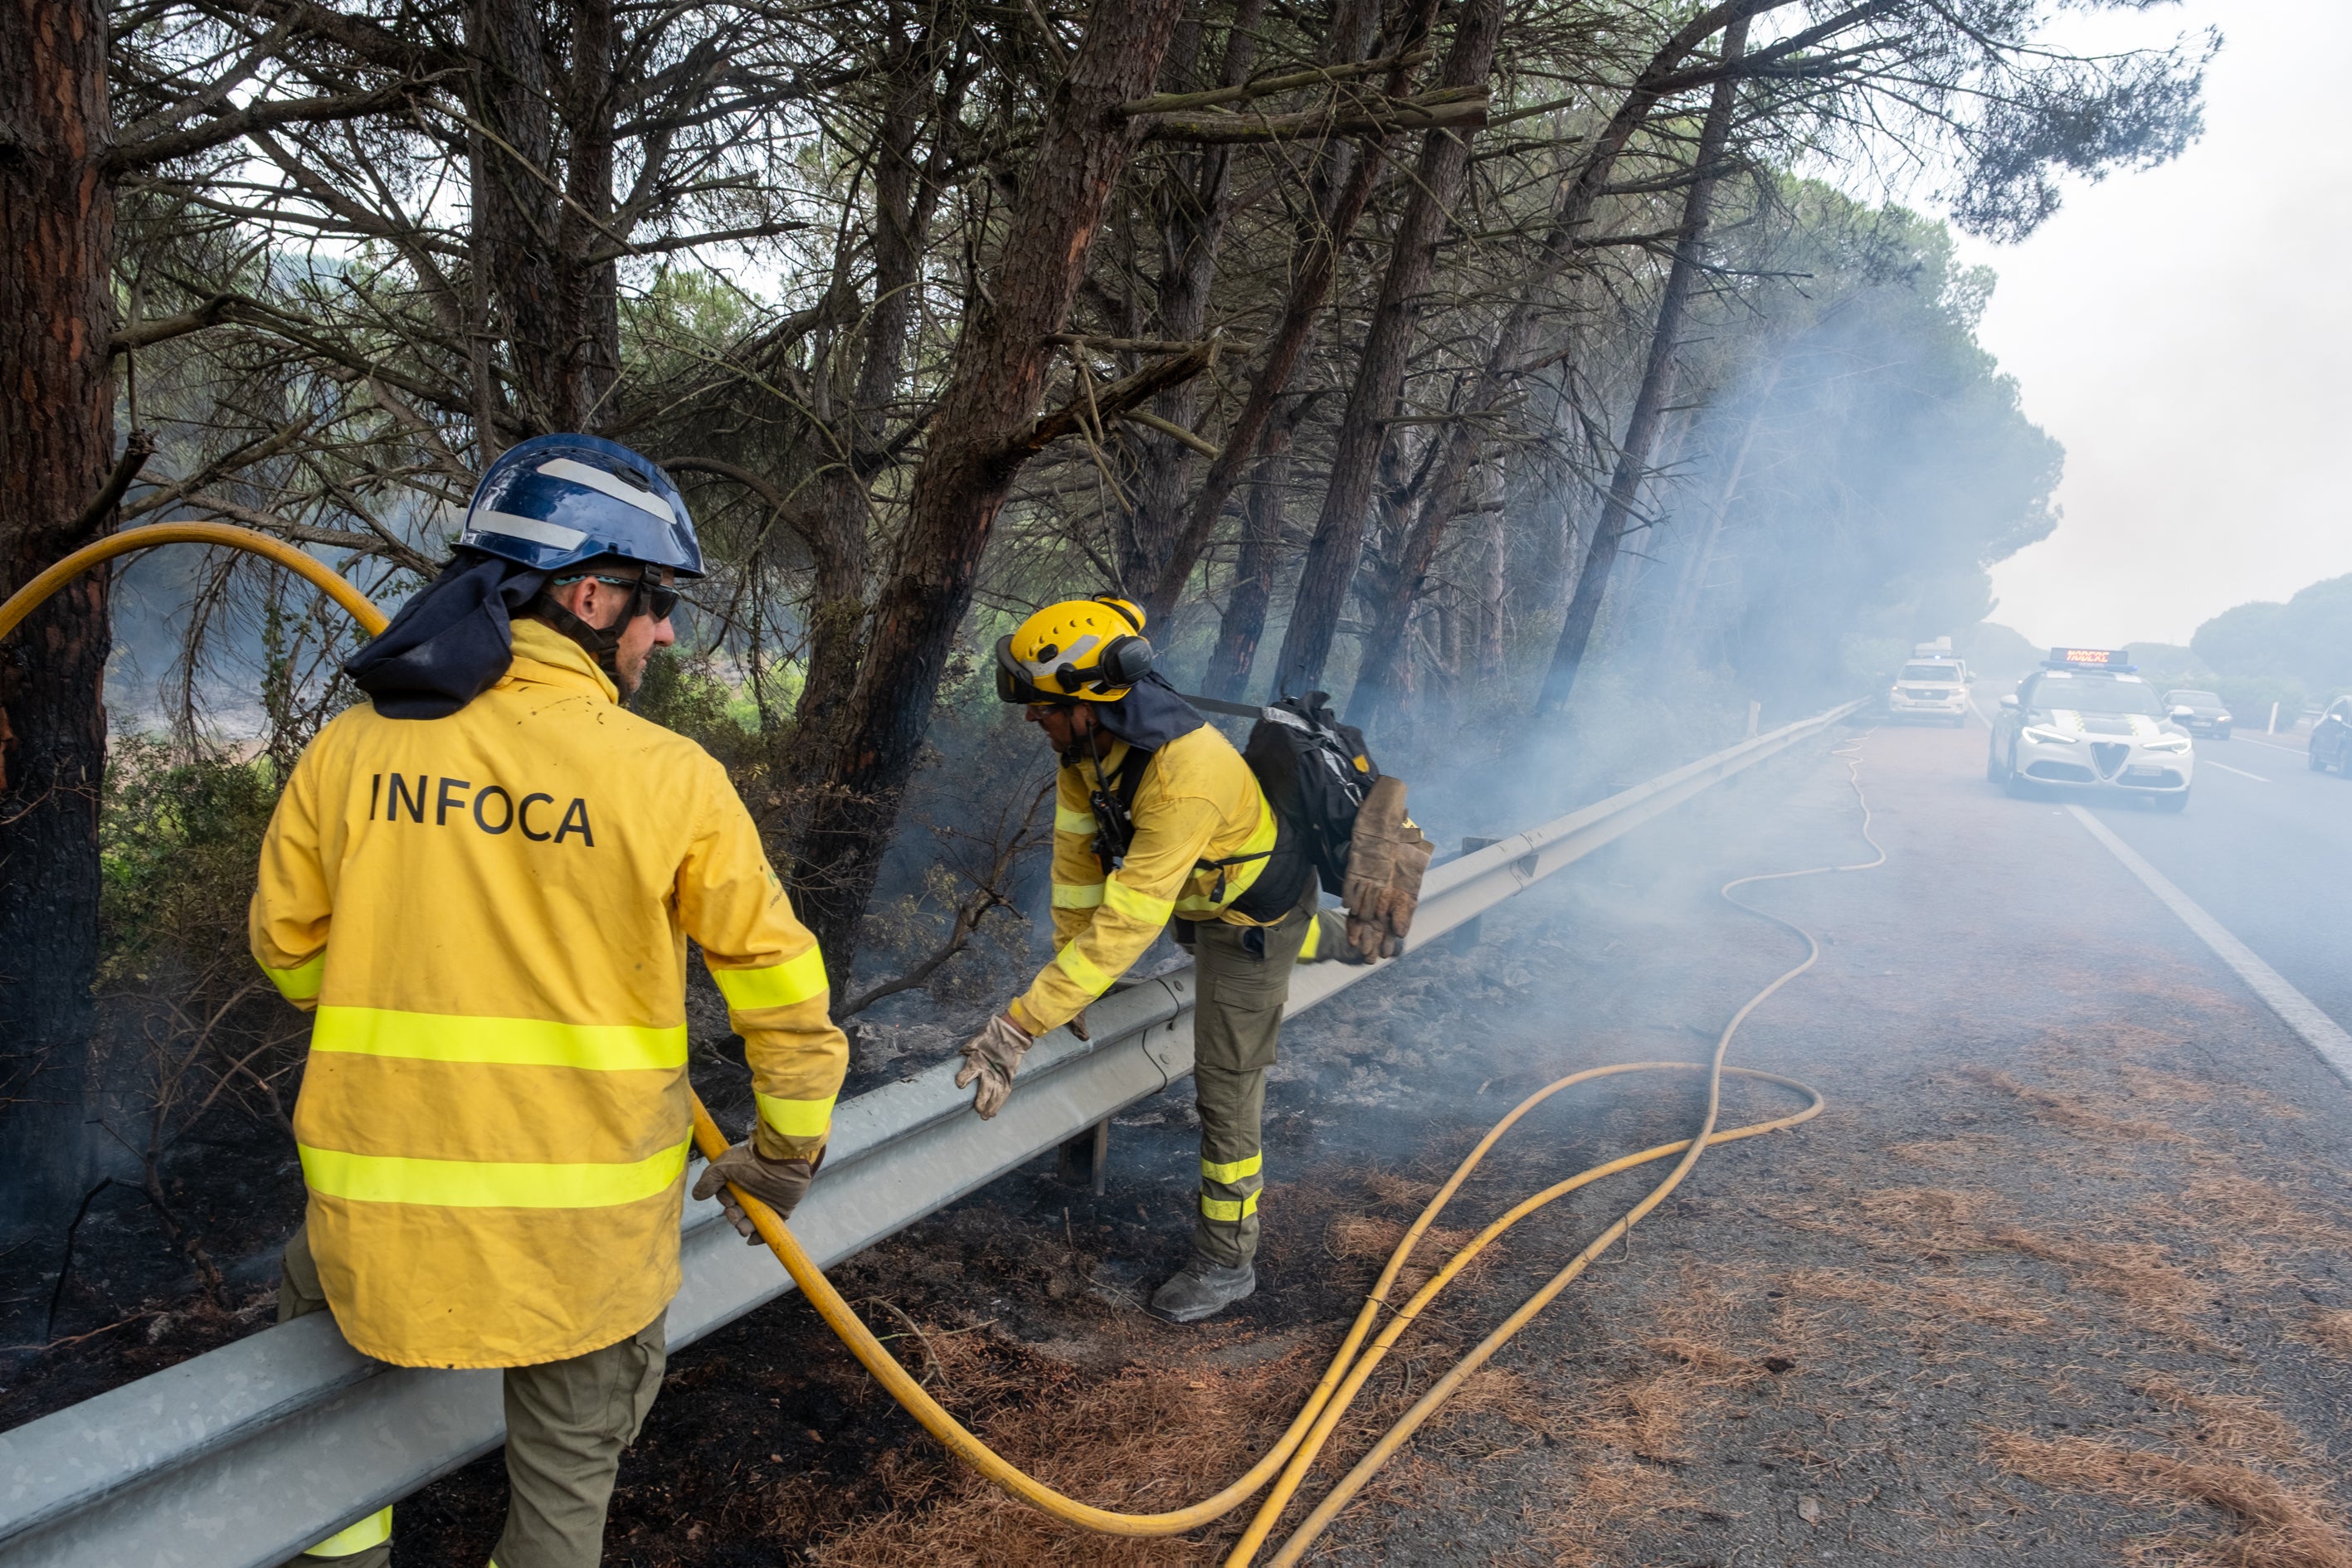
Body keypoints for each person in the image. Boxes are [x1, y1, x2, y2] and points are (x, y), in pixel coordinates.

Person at [251, 434, 847, 1568]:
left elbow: (285, 951)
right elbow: (780, 990)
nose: (662, 632)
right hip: (585, 1244)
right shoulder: (670, 778)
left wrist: (408, 972)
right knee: (565, 1497)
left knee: (319, 1439)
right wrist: (784, 1147)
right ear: (588, 591)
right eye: (654, 603)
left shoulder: (351, 748)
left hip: (381, 1220)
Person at [956, 597, 1324, 1322]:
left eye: (1042, 704)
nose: (1032, 717)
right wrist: (1071, 976)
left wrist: (1023, 1024)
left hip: (1250, 915)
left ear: (1094, 697)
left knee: (1225, 1085)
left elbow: (1129, 921)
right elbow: (1077, 870)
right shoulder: (1084, 747)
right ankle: (1344, 937)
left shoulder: (1185, 773)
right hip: (1198, 900)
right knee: (1230, 941)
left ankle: (1227, 1262)